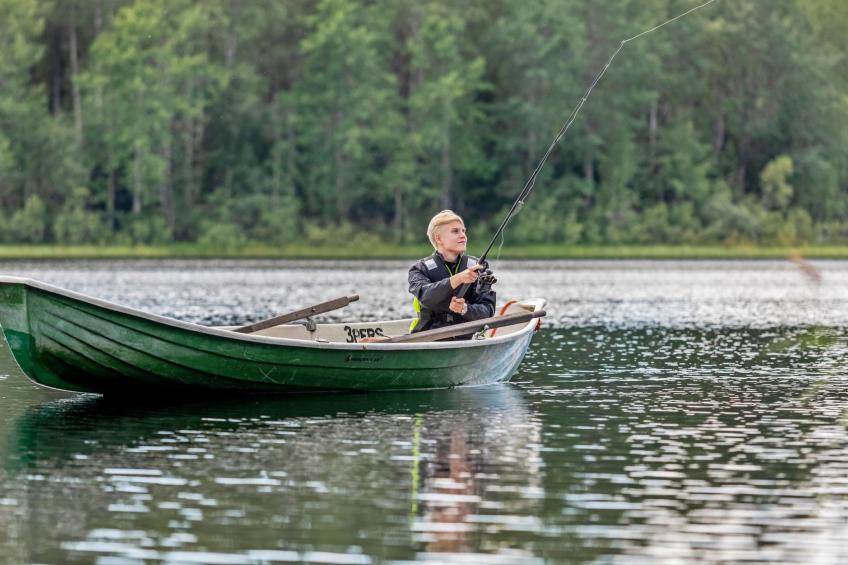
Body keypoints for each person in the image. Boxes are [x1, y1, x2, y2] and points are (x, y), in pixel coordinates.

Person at [408, 210, 497, 335]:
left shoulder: (478, 267)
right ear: (438, 238)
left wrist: (465, 309)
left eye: (463, 231)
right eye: (455, 231)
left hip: (466, 338)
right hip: (428, 336)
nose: (463, 236)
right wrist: (459, 278)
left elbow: (488, 311)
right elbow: (426, 297)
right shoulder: (419, 269)